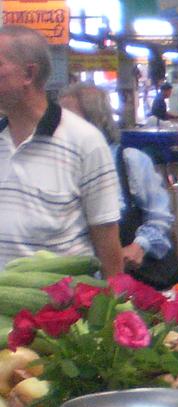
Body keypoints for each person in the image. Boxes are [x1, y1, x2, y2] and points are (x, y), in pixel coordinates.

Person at [0, 26, 123, 276]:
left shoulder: (85, 142)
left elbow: (107, 244)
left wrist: (114, 298)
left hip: (61, 299)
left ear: (29, 74)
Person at [59, 83, 178, 289]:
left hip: (132, 283)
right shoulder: (57, 166)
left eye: (70, 119)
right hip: (73, 285)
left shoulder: (130, 162)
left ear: (95, 121)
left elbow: (160, 216)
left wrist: (140, 246)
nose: (61, 126)